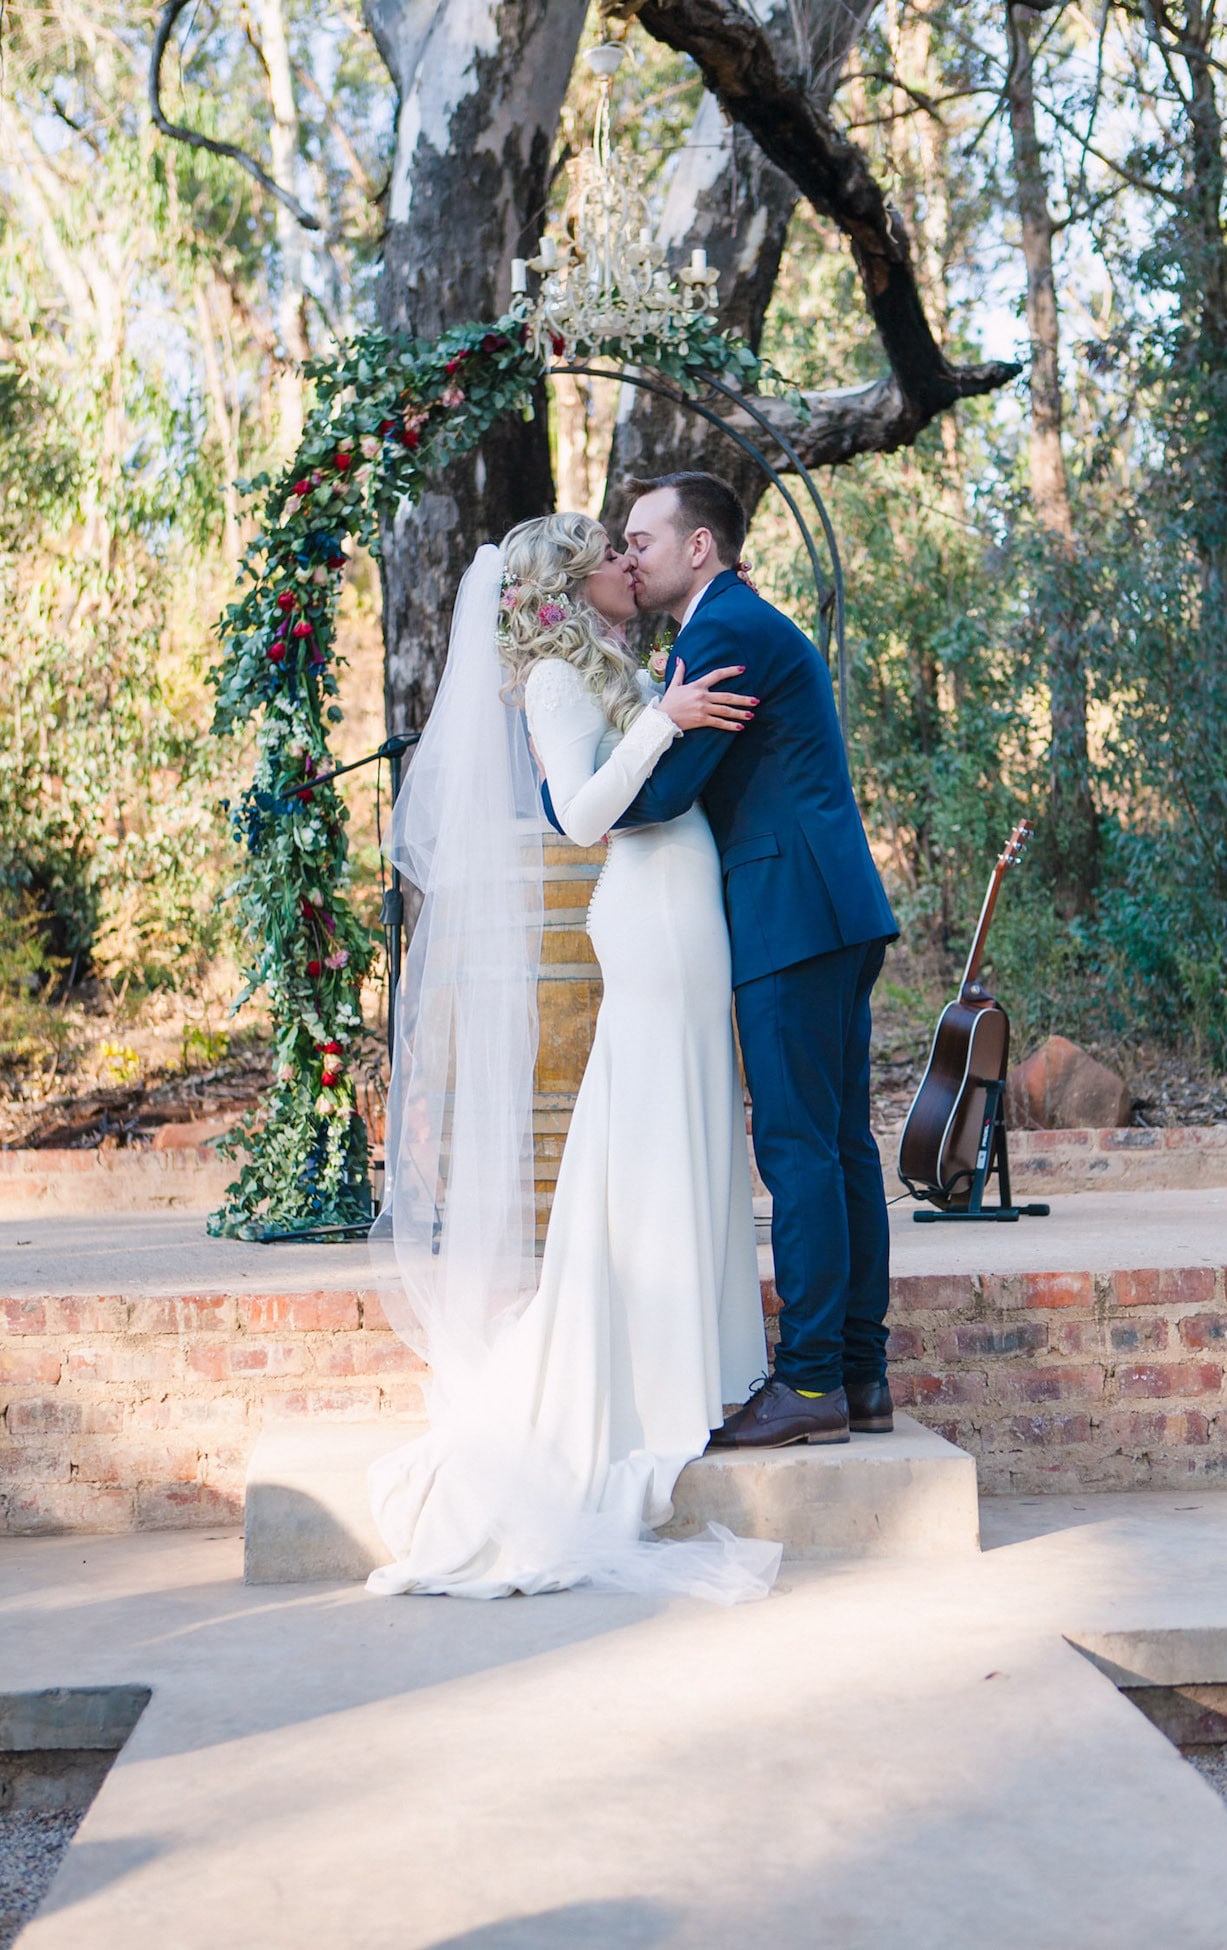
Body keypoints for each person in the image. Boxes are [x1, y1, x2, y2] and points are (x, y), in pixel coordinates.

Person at [367, 513, 779, 1601]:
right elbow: (585, 816)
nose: (623, 563)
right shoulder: (552, 677)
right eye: (606, 553)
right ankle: (660, 1376)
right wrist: (665, 724)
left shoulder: (608, 662)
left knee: (682, 1122)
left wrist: (665, 710)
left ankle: (706, 1367)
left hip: (684, 903)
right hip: (645, 912)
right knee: (650, 1130)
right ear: (563, 583)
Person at [610, 472, 899, 1449]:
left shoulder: (722, 629)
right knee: (839, 1146)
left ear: (699, 547)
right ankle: (859, 1375)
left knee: (799, 1149)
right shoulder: (736, 623)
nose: (629, 553)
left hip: (791, 911)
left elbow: (663, 793)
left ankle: (812, 1381)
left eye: (641, 537)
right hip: (830, 906)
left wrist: (594, 781)